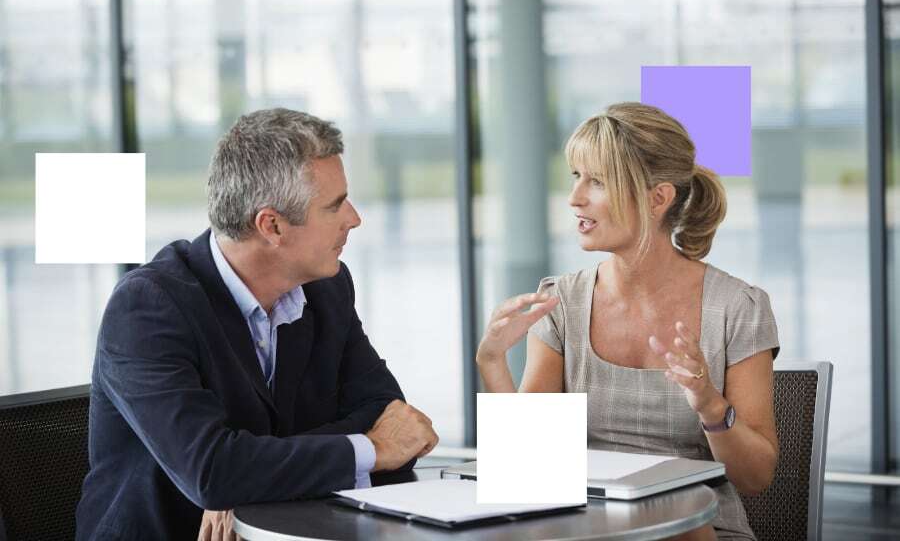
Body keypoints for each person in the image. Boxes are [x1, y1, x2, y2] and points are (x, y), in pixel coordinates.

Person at [76, 108, 439, 541]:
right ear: (272, 225)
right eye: (334, 206)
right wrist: (371, 447)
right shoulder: (147, 308)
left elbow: (393, 418)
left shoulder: (327, 288)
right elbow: (212, 471)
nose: (354, 218)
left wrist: (249, 474)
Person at [476, 103, 779, 540]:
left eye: (597, 181)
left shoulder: (738, 307)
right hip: (587, 530)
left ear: (658, 198)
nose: (575, 197)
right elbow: (530, 475)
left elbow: (756, 478)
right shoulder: (561, 303)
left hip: (699, 528)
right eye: (576, 176)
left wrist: (710, 404)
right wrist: (492, 362)